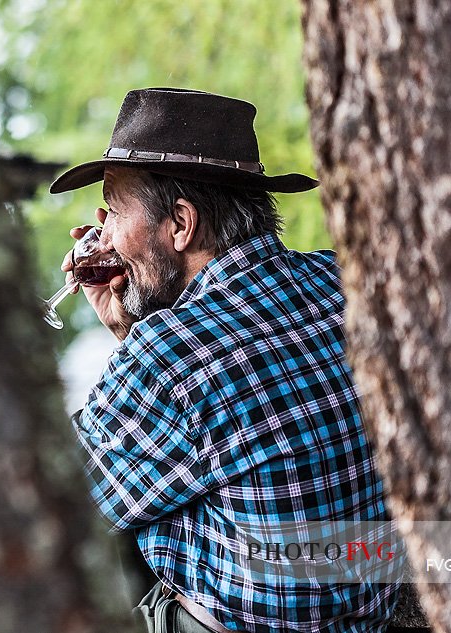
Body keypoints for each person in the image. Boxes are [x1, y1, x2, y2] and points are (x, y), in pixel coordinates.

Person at [50, 88, 400, 632]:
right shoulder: (343, 279)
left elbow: (55, 502)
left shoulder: (170, 353)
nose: (104, 237)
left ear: (181, 224)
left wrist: (139, 343)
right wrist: (130, 329)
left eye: (114, 213)